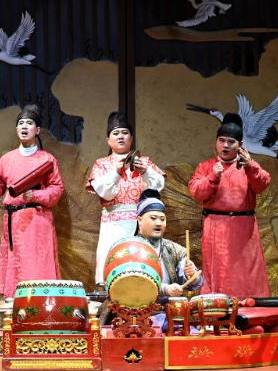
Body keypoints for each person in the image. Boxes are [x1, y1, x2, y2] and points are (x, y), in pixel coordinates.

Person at [188, 113, 271, 298]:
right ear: (216, 142)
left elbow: (263, 183)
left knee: (248, 270)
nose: (225, 145)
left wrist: (250, 166)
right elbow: (196, 192)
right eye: (221, 140)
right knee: (218, 270)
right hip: (215, 226)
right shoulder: (207, 166)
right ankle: (217, 311)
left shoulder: (248, 165)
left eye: (231, 142)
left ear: (240, 145)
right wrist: (212, 177)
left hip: (244, 226)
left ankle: (251, 311)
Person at [0, 104, 64, 299]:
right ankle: (14, 302)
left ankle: (40, 303)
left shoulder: (47, 159)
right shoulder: (7, 159)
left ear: (37, 130)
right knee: (15, 259)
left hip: (37, 218)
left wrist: (35, 195)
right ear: (16, 129)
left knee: (36, 261)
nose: (24, 127)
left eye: (29, 123)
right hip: (13, 219)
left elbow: (57, 188)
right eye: (21, 123)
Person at [87, 112, 165, 287]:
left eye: (124, 132)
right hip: (113, 226)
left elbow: (157, 187)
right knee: (113, 272)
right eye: (115, 133)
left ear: (131, 137)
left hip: (142, 223)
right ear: (108, 140)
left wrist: (146, 171)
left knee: (143, 271)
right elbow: (105, 193)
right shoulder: (102, 164)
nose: (120, 136)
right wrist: (116, 172)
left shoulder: (144, 162)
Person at [134, 189, 203, 332]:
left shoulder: (173, 249)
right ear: (139, 220)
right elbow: (133, 283)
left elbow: (195, 282)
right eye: (153, 218)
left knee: (192, 335)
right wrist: (166, 289)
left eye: (162, 219)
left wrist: (191, 275)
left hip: (169, 313)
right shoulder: (130, 248)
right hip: (138, 315)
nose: (158, 223)